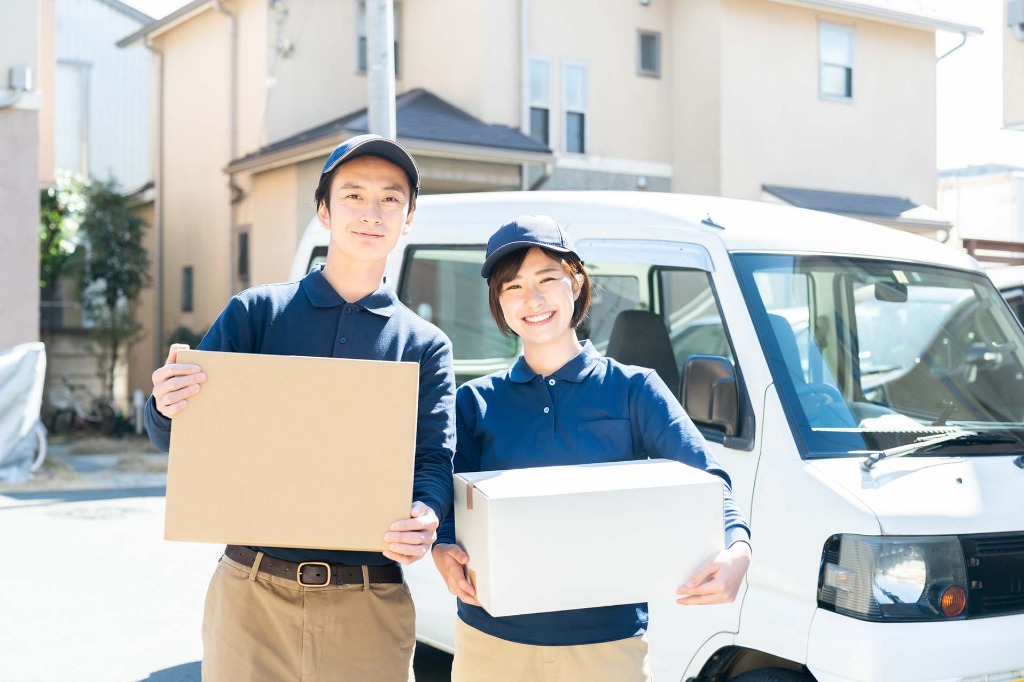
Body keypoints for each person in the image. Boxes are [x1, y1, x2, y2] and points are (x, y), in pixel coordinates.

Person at [144, 134, 455, 681]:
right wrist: (165, 404)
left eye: (390, 198)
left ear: (408, 219)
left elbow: (432, 460)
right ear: (323, 212)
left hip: (370, 599)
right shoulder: (256, 314)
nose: (371, 212)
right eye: (353, 196)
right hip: (251, 594)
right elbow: (175, 436)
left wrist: (427, 514)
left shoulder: (424, 344)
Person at [432, 215, 752, 682]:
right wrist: (442, 547)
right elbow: (447, 502)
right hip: (491, 644)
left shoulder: (633, 389)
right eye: (513, 287)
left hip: (607, 646)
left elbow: (709, 479)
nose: (533, 300)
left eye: (547, 280)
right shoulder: (476, 401)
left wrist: (738, 549)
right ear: (498, 303)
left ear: (576, 282)